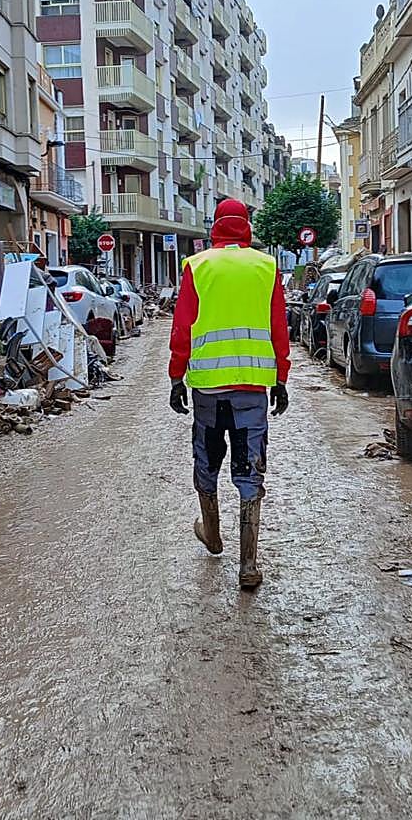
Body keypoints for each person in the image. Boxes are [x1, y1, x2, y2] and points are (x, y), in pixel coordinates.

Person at [168, 199, 290, 590]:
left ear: (216, 227)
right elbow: (278, 328)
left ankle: (214, 535)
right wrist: (281, 379)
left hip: (207, 389)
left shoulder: (197, 266)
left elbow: (183, 327)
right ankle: (248, 565)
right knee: (249, 468)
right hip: (252, 391)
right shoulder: (266, 266)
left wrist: (175, 377)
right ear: (247, 226)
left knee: (206, 462)